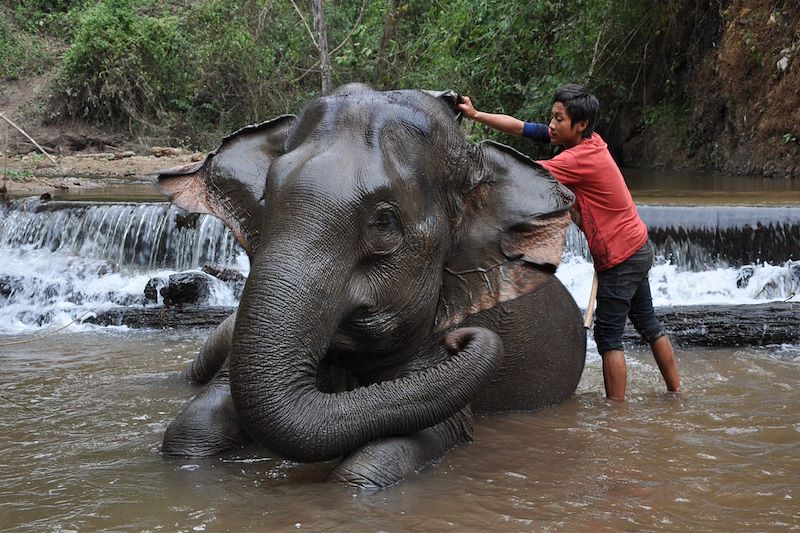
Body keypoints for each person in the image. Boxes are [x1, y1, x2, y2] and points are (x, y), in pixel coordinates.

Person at [457, 83, 681, 401]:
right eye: (552, 116)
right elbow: (524, 128)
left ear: (580, 125)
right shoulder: (589, 143)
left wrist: (470, 170)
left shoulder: (578, 159)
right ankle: (676, 392)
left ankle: (615, 414)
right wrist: (476, 115)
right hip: (637, 246)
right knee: (648, 322)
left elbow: (523, 175)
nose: (551, 125)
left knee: (608, 336)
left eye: (558, 119)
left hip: (621, 256)